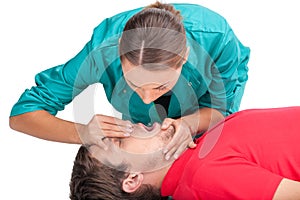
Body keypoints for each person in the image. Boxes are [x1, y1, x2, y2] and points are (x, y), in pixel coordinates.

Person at [9, 1, 250, 159]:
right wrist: (81, 132)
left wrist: (189, 123)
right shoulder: (100, 53)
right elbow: (22, 115)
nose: (146, 99)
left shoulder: (216, 38)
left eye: (160, 86)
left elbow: (219, 111)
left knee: (203, 152)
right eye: (135, 84)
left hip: (210, 97)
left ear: (185, 57)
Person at [70, 106, 300, 199]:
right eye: (120, 142)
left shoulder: (195, 155)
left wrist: (189, 124)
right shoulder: (204, 179)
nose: (129, 127)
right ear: (132, 179)